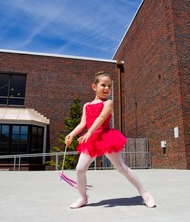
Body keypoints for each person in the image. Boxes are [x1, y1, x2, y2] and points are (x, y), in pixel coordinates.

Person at [65, 71, 156, 209]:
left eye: (109, 86)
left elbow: (101, 118)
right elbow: (83, 123)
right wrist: (71, 134)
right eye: (103, 85)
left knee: (121, 168)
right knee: (80, 169)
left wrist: (89, 132)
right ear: (94, 87)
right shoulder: (86, 105)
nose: (107, 88)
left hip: (106, 137)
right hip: (91, 140)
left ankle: (145, 194)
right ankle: (83, 198)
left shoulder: (108, 103)